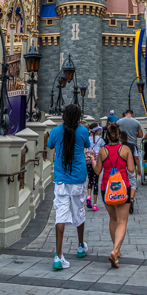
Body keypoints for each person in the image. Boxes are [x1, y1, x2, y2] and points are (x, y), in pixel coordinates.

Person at [47, 104, 90, 270]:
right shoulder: (83, 131)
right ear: (79, 117)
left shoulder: (56, 131)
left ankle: (58, 256)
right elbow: (86, 145)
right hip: (78, 178)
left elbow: (50, 146)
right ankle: (80, 246)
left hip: (61, 180)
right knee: (79, 211)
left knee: (61, 215)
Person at [92, 122, 135, 268]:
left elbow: (98, 171)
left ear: (108, 136)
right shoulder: (125, 149)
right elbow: (131, 170)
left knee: (113, 219)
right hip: (123, 187)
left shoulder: (103, 151)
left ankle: (117, 249)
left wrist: (92, 160)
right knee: (122, 222)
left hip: (107, 188)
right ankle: (115, 250)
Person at [119, 130, 140, 214]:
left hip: (121, 168)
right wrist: (139, 168)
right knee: (132, 184)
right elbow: (136, 158)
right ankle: (131, 198)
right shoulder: (132, 146)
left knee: (122, 183)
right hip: (130, 167)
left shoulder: (119, 146)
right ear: (128, 138)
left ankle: (123, 199)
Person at [86, 123, 105, 211]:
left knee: (90, 179)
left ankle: (88, 196)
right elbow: (103, 149)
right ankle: (94, 204)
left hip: (88, 160)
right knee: (96, 181)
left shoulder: (87, 139)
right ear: (97, 130)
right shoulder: (100, 140)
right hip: (97, 161)